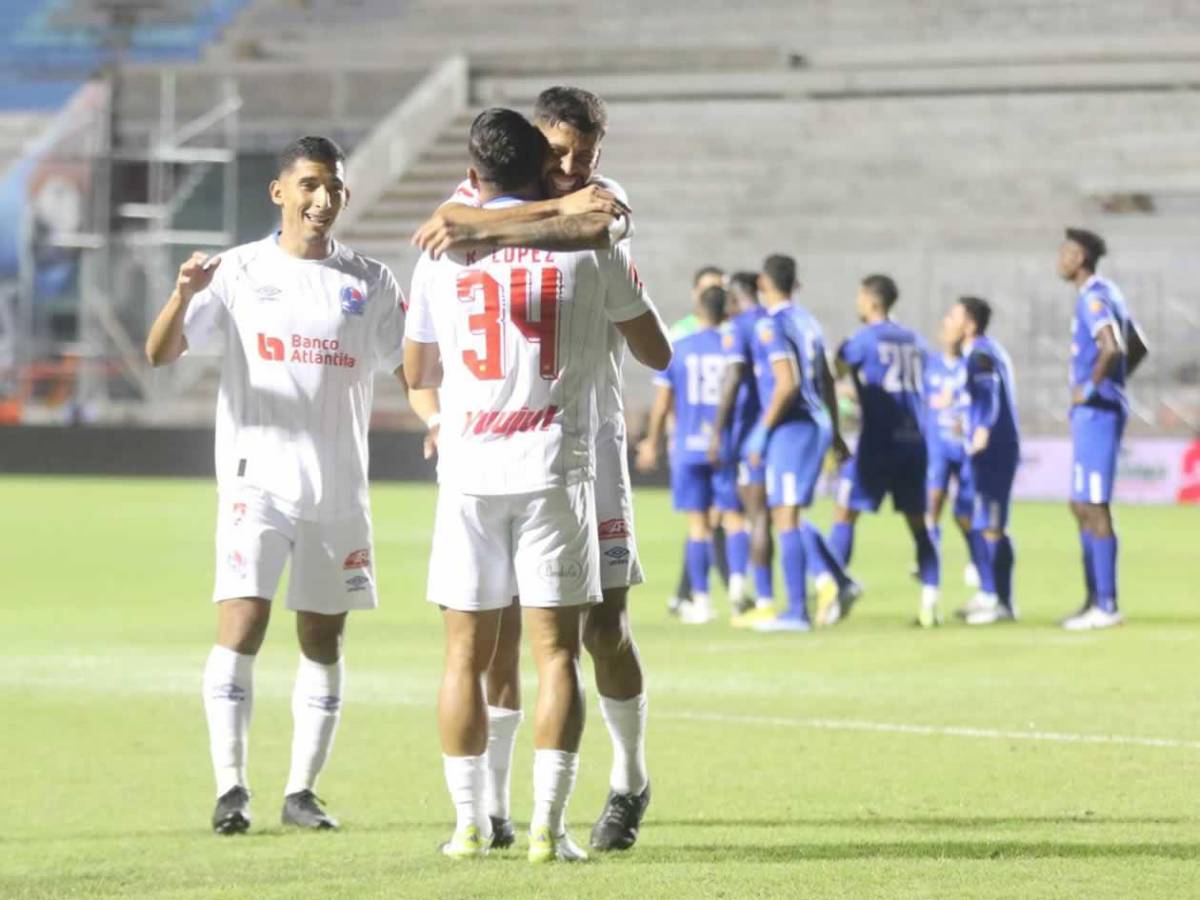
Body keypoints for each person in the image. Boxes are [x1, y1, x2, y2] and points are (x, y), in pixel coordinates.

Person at [404, 108, 670, 863]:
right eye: (561, 153)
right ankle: (498, 814)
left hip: (584, 447)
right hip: (553, 456)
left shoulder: (494, 225)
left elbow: (582, 219)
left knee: (600, 629)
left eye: (587, 154)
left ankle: (625, 780)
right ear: (535, 153)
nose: (577, 168)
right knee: (516, 646)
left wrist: (481, 226)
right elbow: (657, 345)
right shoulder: (561, 234)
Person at [144, 135, 427, 834]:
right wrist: (182, 295)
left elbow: (412, 370)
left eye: (332, 187)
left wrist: (441, 419)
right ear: (280, 193)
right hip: (256, 480)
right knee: (242, 622)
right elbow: (161, 352)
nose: (321, 199)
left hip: (338, 490)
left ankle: (302, 792)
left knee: (323, 640)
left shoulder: (369, 282)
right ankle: (230, 789)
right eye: (308, 185)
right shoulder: (237, 271)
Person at [744, 255, 854, 632]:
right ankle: (839, 580)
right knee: (788, 513)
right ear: (797, 285)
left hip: (794, 426)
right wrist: (836, 432)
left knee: (785, 516)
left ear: (763, 282)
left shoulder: (769, 325)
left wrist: (762, 431)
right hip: (816, 421)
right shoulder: (807, 320)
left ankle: (796, 612)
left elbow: (786, 383)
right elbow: (825, 379)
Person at [825, 274, 937, 625]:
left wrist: (844, 377)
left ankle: (834, 591)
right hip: (915, 441)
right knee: (919, 523)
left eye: (860, 297)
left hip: (878, 442)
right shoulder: (917, 341)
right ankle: (930, 603)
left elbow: (835, 371)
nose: (857, 303)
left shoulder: (864, 340)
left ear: (872, 301)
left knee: (845, 515)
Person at [1056, 228, 1148, 630]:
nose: (1059, 259)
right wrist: (1116, 382)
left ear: (1080, 258)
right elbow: (1138, 346)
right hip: (1096, 411)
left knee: (1094, 505)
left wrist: (1094, 387)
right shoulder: (1107, 293)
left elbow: (1113, 347)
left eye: (1065, 253)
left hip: (1097, 412)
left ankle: (1106, 605)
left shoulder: (1093, 297)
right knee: (1080, 504)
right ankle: (1093, 598)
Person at [637, 284, 732, 624]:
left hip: (688, 446)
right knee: (733, 521)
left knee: (698, 527)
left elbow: (662, 404)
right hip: (726, 447)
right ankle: (740, 597)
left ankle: (701, 602)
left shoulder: (679, 348)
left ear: (698, 309)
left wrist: (652, 442)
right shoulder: (734, 348)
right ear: (728, 311)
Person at [947, 297, 1022, 625]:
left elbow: (990, 395)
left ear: (970, 325)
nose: (947, 321)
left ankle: (999, 600)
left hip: (995, 449)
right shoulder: (980, 353)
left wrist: (982, 430)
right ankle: (990, 592)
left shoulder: (980, 354)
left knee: (991, 525)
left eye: (953, 316)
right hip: (986, 448)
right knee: (966, 513)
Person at [663, 266, 731, 615]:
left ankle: (697, 597)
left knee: (707, 525)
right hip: (719, 442)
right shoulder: (684, 334)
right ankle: (730, 593)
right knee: (719, 523)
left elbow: (666, 393)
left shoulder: (684, 342)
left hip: (692, 443)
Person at [711, 271, 774, 624]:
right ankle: (740, 591)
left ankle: (763, 599)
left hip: (747, 434)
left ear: (736, 296)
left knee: (759, 513)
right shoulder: (772, 321)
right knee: (756, 512)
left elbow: (734, 378)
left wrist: (717, 431)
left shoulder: (738, 327)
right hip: (769, 430)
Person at [922, 311, 982, 626]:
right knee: (931, 507)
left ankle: (977, 558)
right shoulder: (929, 365)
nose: (947, 333)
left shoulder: (972, 363)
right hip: (937, 447)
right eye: (944, 327)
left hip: (966, 448)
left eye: (953, 328)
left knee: (965, 514)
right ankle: (928, 567)